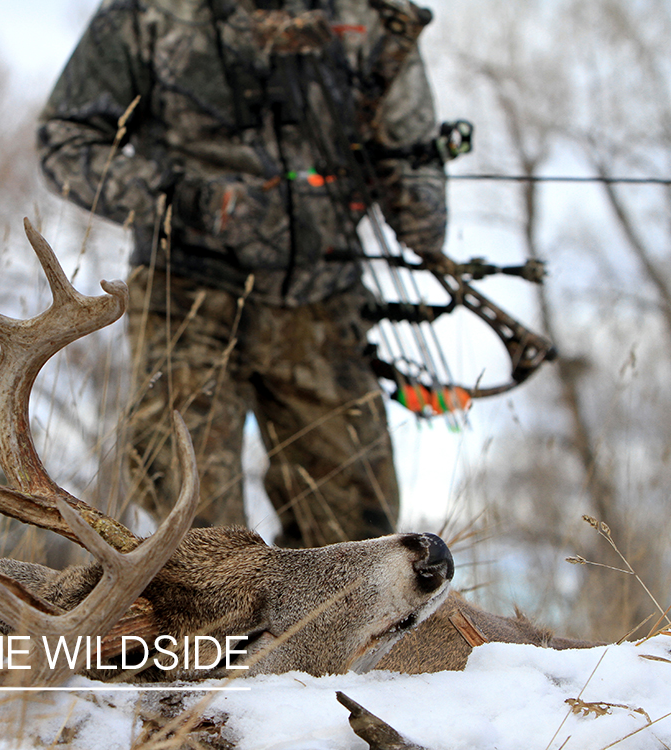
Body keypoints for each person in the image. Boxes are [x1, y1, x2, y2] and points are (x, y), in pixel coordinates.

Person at [36, 0, 448, 548]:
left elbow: (413, 154)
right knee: (200, 536)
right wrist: (185, 200)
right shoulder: (146, 14)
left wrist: (419, 202)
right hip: (187, 299)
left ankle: (316, 638)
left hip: (323, 302)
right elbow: (64, 141)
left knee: (357, 543)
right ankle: (217, 639)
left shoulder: (367, 15)